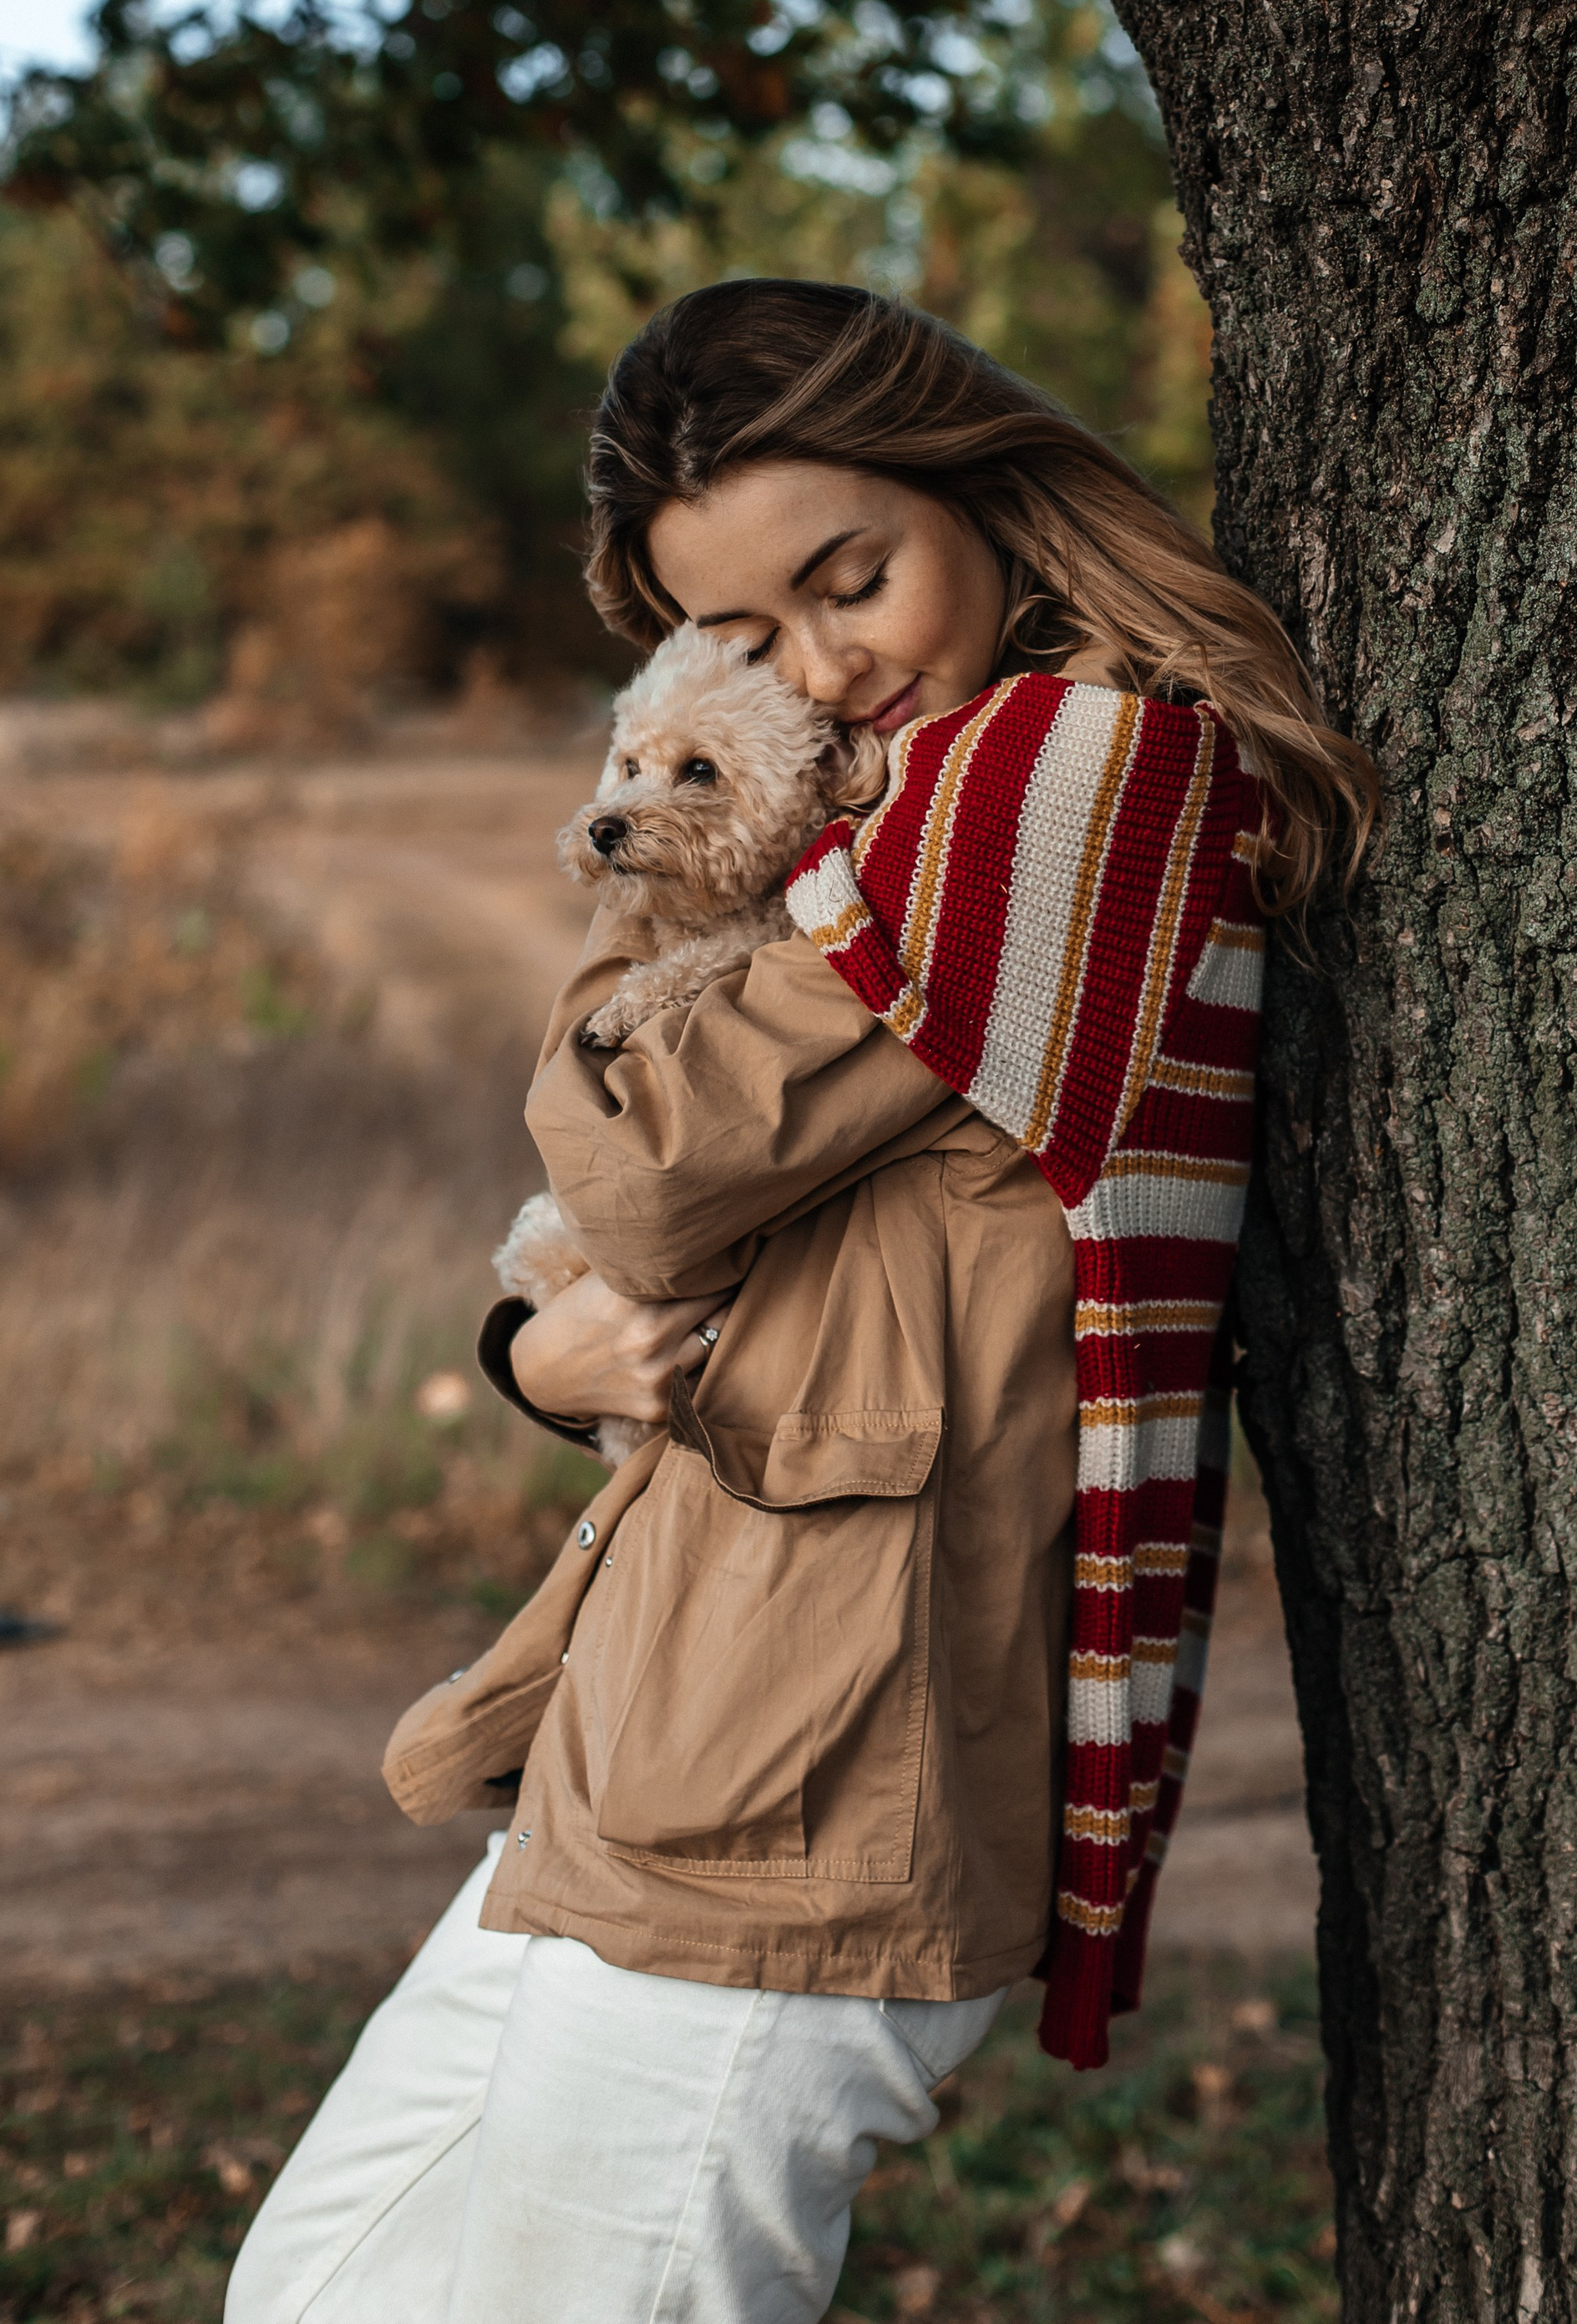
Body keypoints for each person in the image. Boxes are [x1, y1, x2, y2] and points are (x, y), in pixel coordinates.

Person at [226, 281, 1375, 2324]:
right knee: (318, 2296)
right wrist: (525, 1352)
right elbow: (683, 1274)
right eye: (742, 644)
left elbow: (650, 1167)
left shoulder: (1067, 772)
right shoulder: (877, 832)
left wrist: (641, 824)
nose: (830, 670)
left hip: (811, 1782)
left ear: (979, 487)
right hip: (654, 1724)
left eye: (853, 580)